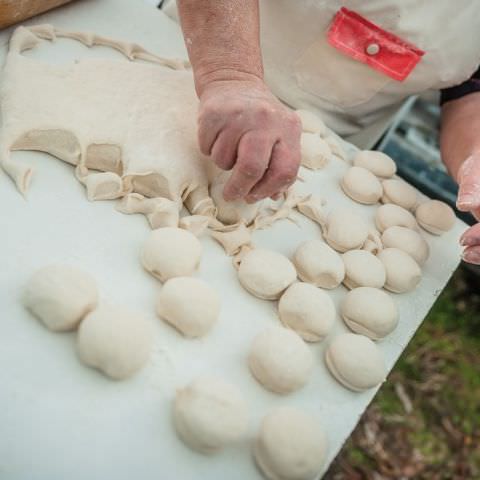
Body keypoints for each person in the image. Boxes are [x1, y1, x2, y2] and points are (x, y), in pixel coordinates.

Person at [166, 1, 480, 265]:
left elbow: (469, 93)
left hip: (324, 168)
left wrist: (476, 157)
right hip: (191, 64)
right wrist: (230, 76)